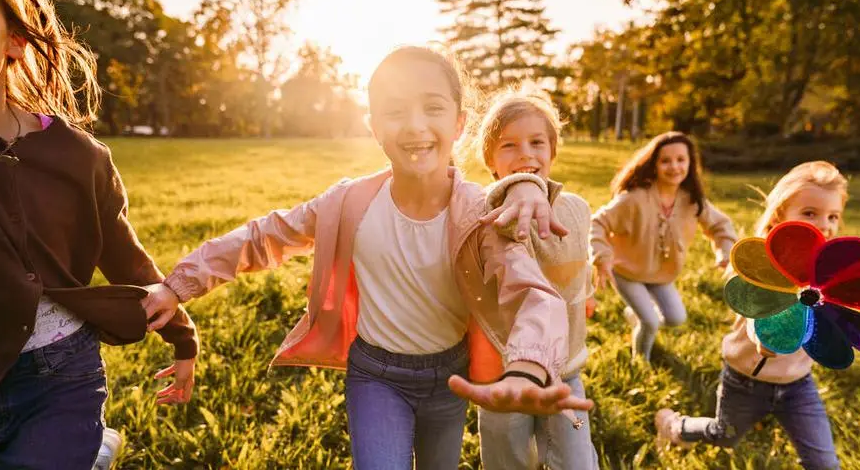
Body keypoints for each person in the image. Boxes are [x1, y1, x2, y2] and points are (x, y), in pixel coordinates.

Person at [141, 45, 592, 470]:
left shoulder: (480, 215)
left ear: (459, 123)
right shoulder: (348, 203)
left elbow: (532, 292)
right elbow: (263, 237)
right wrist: (178, 283)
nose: (415, 126)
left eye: (433, 108)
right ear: (374, 126)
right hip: (376, 376)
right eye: (396, 112)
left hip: (448, 377)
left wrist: (528, 367)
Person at [0, 0, 197, 468]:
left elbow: (126, 256)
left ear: (16, 40)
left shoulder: (81, 156)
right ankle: (95, 455)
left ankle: (84, 449)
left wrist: (182, 336)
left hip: (61, 375)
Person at [654, 161, 848, 469]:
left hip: (799, 383)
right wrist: (763, 339)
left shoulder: (827, 271)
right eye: (810, 213)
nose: (824, 224)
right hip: (746, 380)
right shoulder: (756, 261)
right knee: (723, 435)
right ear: (779, 215)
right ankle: (674, 427)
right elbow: (755, 314)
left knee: (824, 463)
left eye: (833, 216)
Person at [470, 84, 600, 469]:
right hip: (501, 373)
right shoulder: (488, 211)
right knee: (506, 459)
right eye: (508, 145)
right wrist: (521, 186)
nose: (526, 153)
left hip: (565, 371)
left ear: (552, 151)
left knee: (577, 461)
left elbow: (579, 262)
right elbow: (508, 196)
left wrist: (588, 293)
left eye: (537, 142)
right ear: (491, 161)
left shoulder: (577, 209)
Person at [590, 132, 738, 361]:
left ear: (690, 163)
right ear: (654, 164)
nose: (674, 166)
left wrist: (725, 253)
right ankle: (640, 362)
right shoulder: (634, 198)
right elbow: (598, 222)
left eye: (681, 160)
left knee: (675, 318)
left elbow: (720, 225)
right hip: (627, 272)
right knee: (650, 323)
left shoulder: (691, 200)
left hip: (662, 275)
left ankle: (636, 315)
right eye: (665, 161)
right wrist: (602, 255)